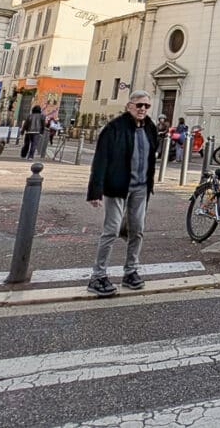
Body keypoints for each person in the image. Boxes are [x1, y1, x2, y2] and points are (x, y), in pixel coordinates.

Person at [86, 90, 158, 297]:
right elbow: (101, 160)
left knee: (137, 229)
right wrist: (95, 191)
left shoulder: (150, 128)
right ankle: (97, 276)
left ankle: (131, 271)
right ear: (129, 106)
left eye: (146, 106)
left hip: (141, 188)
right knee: (111, 229)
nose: (142, 109)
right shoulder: (114, 128)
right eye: (139, 105)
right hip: (117, 186)